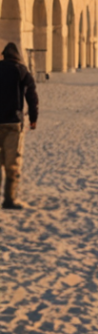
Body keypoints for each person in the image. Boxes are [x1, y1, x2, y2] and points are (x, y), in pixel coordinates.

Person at [0, 42, 38, 210]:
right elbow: (32, 95)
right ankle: (9, 199)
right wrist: (33, 118)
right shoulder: (21, 70)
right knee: (12, 162)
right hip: (13, 122)